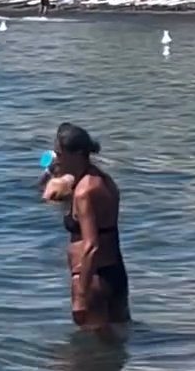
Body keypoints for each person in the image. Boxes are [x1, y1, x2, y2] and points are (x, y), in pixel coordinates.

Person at [42, 123, 130, 330]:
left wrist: (81, 295)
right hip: (114, 274)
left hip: (93, 279)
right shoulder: (102, 180)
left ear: (78, 154)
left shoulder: (84, 192)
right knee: (116, 340)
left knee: (86, 356)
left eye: (60, 154)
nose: (57, 159)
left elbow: (91, 246)